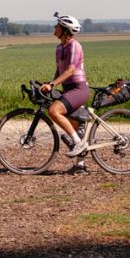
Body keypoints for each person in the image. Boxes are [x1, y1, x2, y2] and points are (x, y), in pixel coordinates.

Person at [39, 14, 89, 156]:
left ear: (65, 30)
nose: (55, 27)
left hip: (78, 88)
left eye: (57, 26)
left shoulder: (74, 46)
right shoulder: (59, 48)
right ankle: (80, 166)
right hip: (68, 89)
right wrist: (50, 84)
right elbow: (59, 70)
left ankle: (79, 143)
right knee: (75, 125)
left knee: (54, 111)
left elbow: (70, 70)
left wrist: (53, 84)